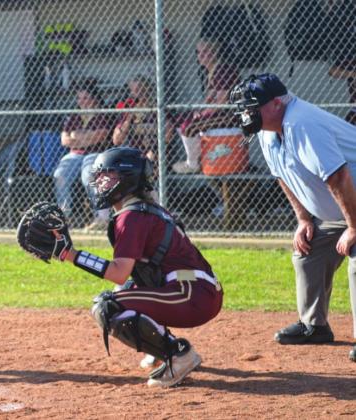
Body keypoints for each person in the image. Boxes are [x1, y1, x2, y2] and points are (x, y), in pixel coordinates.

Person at [17, 147, 223, 387]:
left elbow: (118, 270)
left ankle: (178, 354)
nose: (100, 182)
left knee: (108, 307)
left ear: (128, 179)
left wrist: (68, 254)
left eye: (108, 176)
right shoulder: (141, 209)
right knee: (122, 291)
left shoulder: (132, 216)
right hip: (195, 288)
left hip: (191, 294)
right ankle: (162, 348)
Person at [229, 73, 356, 363]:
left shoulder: (302, 123)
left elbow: (338, 176)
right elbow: (282, 175)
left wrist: (353, 227)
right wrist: (304, 219)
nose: (246, 114)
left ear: (276, 103)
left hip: (352, 205)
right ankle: (315, 326)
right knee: (307, 252)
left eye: (252, 107)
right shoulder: (267, 130)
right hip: (343, 208)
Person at [173, 38, 239, 174]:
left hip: (231, 116)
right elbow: (209, 100)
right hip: (219, 113)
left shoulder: (223, 70)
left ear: (214, 53)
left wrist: (202, 114)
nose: (201, 56)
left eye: (205, 52)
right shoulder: (212, 71)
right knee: (180, 119)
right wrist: (200, 112)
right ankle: (197, 159)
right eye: (199, 52)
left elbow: (221, 103)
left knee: (189, 127)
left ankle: (192, 164)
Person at [53, 78, 112, 228]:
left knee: (89, 176)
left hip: (96, 153)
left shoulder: (103, 114)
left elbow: (101, 136)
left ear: (94, 97)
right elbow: (65, 140)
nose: (82, 101)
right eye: (79, 98)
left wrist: (77, 136)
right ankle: (65, 215)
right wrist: (87, 136)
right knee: (60, 175)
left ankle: (100, 217)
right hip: (75, 154)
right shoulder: (74, 115)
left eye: (85, 97)